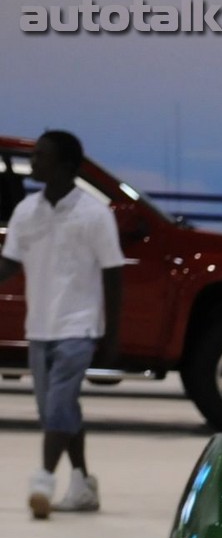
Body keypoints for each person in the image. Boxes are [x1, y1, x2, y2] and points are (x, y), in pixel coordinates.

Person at [0, 128, 124, 518]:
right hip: (40, 327)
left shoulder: (94, 214)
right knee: (59, 409)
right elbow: (9, 263)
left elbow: (113, 273)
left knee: (57, 407)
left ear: (67, 165)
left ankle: (43, 481)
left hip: (79, 326)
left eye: (42, 156)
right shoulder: (26, 211)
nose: (33, 161)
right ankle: (83, 483)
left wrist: (112, 335)